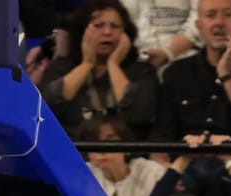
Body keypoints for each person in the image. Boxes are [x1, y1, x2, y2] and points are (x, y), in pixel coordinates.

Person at [150, 0, 231, 145]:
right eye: (210, 15)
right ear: (199, 26)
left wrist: (226, 75)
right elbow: (162, 136)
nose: (219, 22)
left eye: (228, 15)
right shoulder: (176, 73)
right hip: (186, 161)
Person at [43, 1, 160, 136]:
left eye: (115, 26)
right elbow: (45, 110)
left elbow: (139, 116)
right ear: (82, 31)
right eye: (98, 26)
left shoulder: (142, 71)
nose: (107, 32)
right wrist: (87, 63)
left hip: (127, 154)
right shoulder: (62, 67)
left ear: (126, 34)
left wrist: (113, 64)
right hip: (73, 152)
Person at [85, 116, 168, 196]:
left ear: (125, 143)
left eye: (109, 140)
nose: (101, 149)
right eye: (94, 141)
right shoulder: (84, 174)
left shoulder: (151, 173)